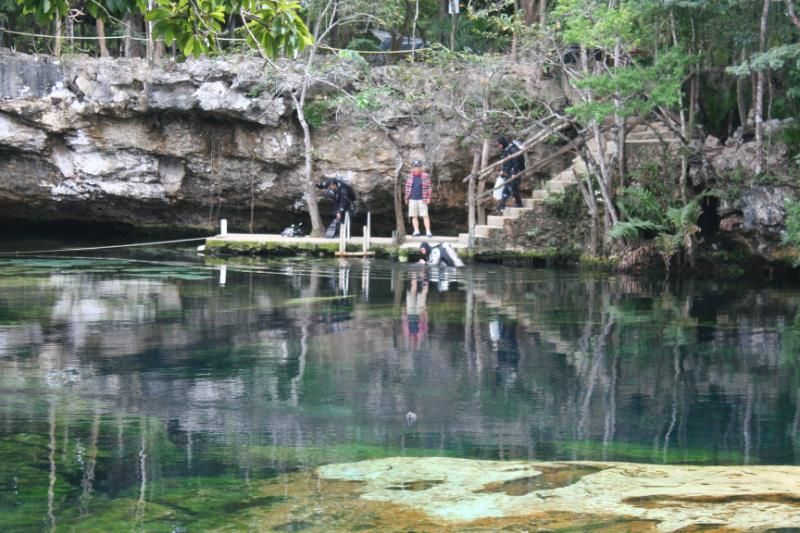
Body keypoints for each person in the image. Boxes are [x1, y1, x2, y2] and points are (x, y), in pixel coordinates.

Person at [495, 136, 525, 214]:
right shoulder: (506, 150)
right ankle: (502, 206)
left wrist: (514, 172)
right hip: (509, 171)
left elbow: (516, 161)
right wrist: (503, 170)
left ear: (503, 143)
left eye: (499, 144)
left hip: (515, 171)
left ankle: (519, 203)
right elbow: (506, 162)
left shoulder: (513, 149)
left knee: (513, 189)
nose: (499, 146)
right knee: (506, 189)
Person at [403, 160, 433, 237]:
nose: (416, 169)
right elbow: (407, 188)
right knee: (414, 216)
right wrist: (406, 198)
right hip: (412, 199)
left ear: (421, 167)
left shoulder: (425, 176)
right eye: (415, 167)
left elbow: (429, 187)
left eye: (418, 167)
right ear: (412, 168)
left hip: (422, 199)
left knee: (425, 215)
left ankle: (428, 231)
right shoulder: (410, 176)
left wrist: (429, 198)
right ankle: (416, 231)